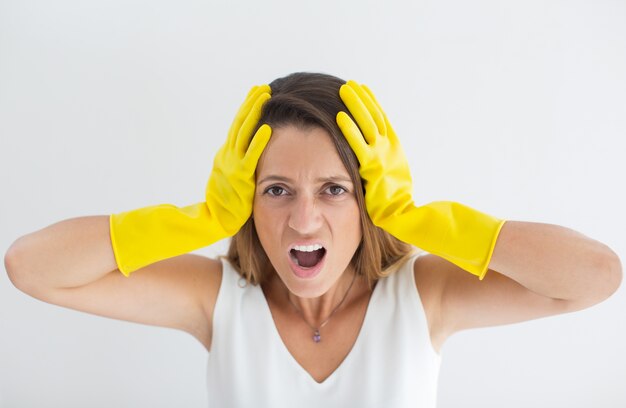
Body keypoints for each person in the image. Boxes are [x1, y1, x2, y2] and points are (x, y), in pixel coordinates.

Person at [5, 72, 622, 407]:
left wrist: (420, 218)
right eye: (276, 190)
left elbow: (595, 275)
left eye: (333, 189)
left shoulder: (423, 297)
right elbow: (31, 266)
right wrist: (196, 220)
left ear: (369, 200)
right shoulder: (217, 300)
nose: (303, 221)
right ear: (244, 201)